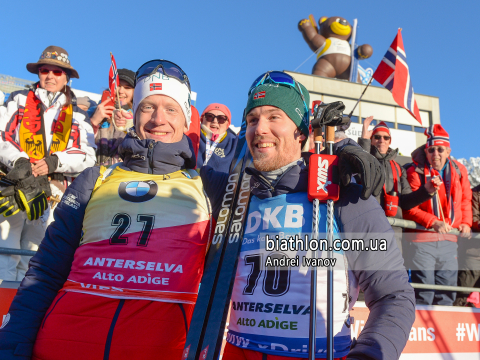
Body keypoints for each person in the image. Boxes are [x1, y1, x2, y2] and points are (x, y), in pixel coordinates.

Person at [0, 64, 386, 360]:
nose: (157, 119)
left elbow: (390, 291)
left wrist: (348, 151)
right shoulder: (96, 176)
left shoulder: (210, 184)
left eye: (170, 108)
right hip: (64, 343)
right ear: (133, 114)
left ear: (188, 120)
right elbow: (45, 273)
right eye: (147, 107)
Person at [222, 71, 415, 359]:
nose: (260, 128)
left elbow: (393, 296)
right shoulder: (233, 195)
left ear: (301, 132)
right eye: (252, 119)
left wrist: (369, 355)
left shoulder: (344, 196)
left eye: (275, 117)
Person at [0, 45, 96, 281]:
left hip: (52, 195)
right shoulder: (18, 99)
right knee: (4, 256)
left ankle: (19, 315)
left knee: (35, 262)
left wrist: (55, 161)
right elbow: (1, 135)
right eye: (45, 70)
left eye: (57, 72)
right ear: (38, 73)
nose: (50, 76)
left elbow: (88, 157)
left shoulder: (78, 115)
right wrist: (19, 161)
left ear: (67, 77)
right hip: (13, 188)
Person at [403, 124, 472, 306]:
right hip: (422, 240)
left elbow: (465, 200)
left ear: (448, 151)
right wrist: (433, 221)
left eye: (440, 149)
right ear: (426, 152)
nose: (436, 154)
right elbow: (409, 208)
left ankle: (441, 334)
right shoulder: (415, 171)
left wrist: (465, 222)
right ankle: (423, 333)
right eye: (431, 150)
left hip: (449, 239)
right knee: (424, 292)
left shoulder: (459, 170)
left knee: (447, 292)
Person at [358, 117, 441, 253]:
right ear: (372, 140)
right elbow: (360, 173)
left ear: (390, 141)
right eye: (377, 137)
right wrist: (364, 142)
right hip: (368, 230)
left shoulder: (398, 168)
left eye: (385, 138)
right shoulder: (367, 161)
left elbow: (407, 202)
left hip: (394, 233)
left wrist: (426, 191)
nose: (381, 141)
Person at [90, 68, 135, 165]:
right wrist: (94, 121)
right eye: (118, 86)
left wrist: (129, 125)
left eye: (127, 87)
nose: (121, 91)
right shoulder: (93, 111)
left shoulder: (137, 118)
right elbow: (78, 142)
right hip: (90, 173)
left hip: (119, 175)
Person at [454, 183, 480, 306]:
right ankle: (453, 323)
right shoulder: (474, 193)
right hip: (473, 254)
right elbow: (473, 219)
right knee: (463, 294)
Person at [196, 103, 237, 173]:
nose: (215, 121)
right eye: (210, 117)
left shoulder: (235, 143)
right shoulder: (193, 134)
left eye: (221, 119)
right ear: (202, 119)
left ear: (228, 124)